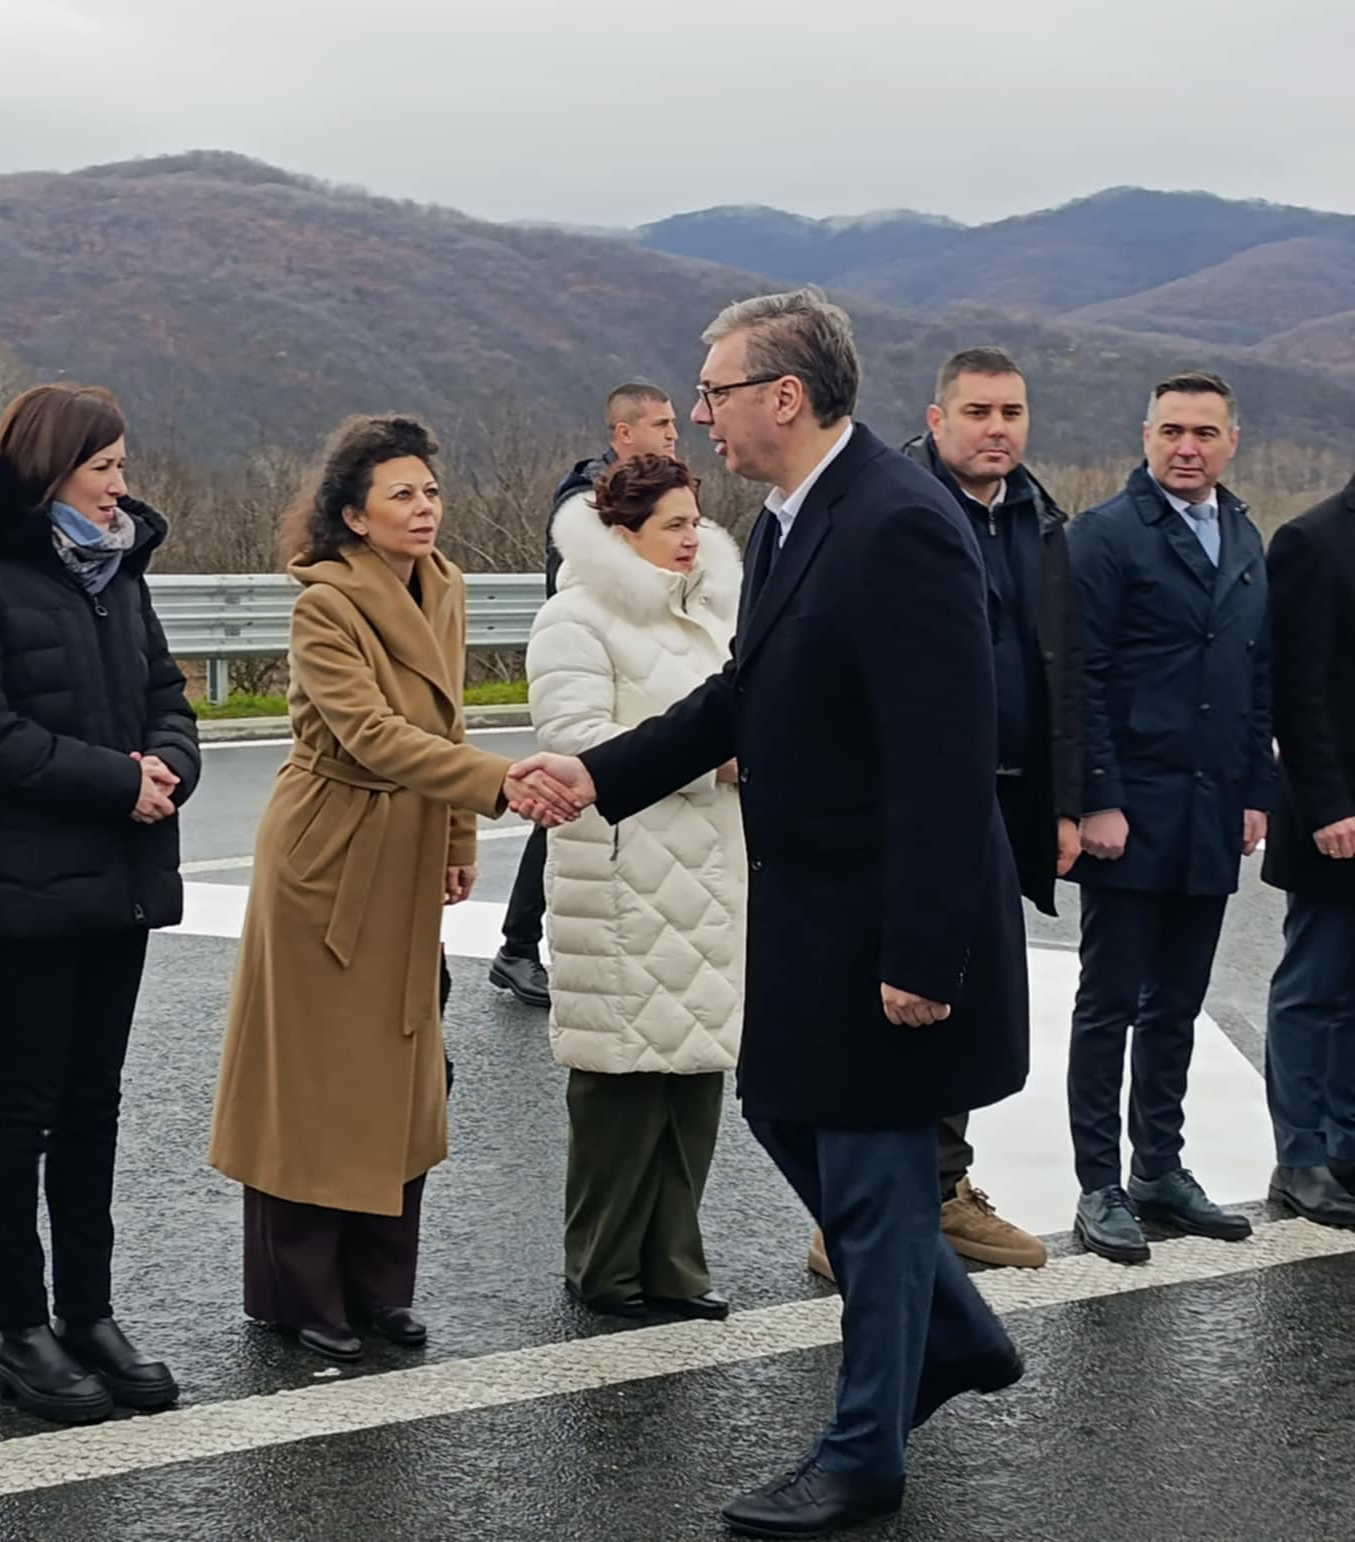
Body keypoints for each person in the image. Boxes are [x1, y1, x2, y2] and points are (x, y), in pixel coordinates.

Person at [512, 289, 1027, 1538]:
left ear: (782, 397)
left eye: (716, 393)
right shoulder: (793, 520)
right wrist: (597, 772)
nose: (699, 416)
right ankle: (956, 1333)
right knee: (785, 1116)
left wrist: (922, 953)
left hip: (878, 923)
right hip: (805, 915)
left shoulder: (895, 525)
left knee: (870, 1183)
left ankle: (861, 1457)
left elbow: (945, 756)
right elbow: (740, 697)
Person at [208, 415, 570, 1364]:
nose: (424, 508)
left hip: (409, 840)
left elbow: (444, 724)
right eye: (401, 494)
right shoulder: (325, 604)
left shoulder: (442, 586)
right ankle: (299, 1294)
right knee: (315, 1078)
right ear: (354, 516)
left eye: (431, 492)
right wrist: (500, 784)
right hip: (328, 852)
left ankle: (378, 1288)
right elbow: (370, 735)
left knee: (402, 1070)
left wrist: (457, 836)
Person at [0, 384, 201, 1425]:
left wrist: (166, 767)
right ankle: (17, 1329)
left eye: (121, 465)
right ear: (51, 471)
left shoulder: (117, 575)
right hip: (26, 882)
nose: (121, 485)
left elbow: (167, 696)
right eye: (103, 467)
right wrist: (111, 781)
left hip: (118, 877)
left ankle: (87, 1312)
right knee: (24, 1104)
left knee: (94, 1105)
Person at [780, 346, 1079, 1280]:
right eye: (978, 412)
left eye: (1012, 413)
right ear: (935, 418)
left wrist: (1067, 802)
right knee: (905, 992)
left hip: (1008, 793)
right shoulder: (901, 510)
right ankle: (867, 1209)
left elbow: (1062, 668)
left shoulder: (1038, 519)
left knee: (962, 1000)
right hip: (915, 798)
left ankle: (936, 1189)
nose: (998, 429)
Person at [526, 452, 743, 1321]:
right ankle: (605, 1265)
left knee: (694, 1072)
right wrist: (713, 764)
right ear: (622, 534)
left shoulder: (711, 615)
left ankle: (676, 1264)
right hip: (620, 871)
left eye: (696, 521)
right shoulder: (574, 617)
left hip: (709, 869)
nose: (690, 538)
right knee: (620, 1080)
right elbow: (573, 736)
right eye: (671, 525)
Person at [1066, 372, 1272, 1263]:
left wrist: (1257, 790)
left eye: (1205, 433)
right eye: (1172, 431)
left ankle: (1159, 1168)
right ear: (1146, 436)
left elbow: (1256, 674)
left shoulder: (1245, 536)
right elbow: (1079, 677)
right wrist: (1097, 798)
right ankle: (1098, 1183)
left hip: (1212, 808)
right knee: (1108, 1005)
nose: (1188, 447)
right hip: (1132, 810)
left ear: (1232, 442)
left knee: (1177, 1005)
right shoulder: (1105, 536)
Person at [492, 383, 680, 1010]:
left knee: (587, 800)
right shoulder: (587, 500)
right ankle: (519, 945)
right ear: (624, 433)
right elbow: (586, 588)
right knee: (572, 799)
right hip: (599, 669)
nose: (674, 433)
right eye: (660, 423)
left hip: (637, 667)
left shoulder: (650, 490)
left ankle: (527, 945)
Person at [1259, 470, 1355, 1227]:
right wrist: (1327, 806)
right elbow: (1298, 690)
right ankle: (1300, 1156)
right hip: (1337, 816)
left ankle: (1347, 1144)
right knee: (1313, 990)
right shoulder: (1313, 541)